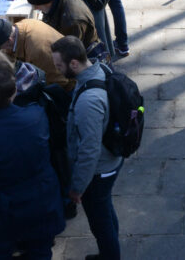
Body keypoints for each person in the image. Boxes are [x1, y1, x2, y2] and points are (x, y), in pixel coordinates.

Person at [0, 65, 65, 259]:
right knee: (41, 250)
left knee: (1, 252)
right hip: (45, 198)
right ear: (13, 93)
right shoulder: (36, 115)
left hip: (9, 209)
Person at [52, 37, 124, 260]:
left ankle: (110, 255)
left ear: (74, 64)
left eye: (59, 66)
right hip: (110, 161)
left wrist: (77, 187)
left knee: (99, 221)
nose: (57, 70)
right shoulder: (97, 68)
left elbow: (89, 151)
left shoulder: (88, 102)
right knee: (105, 209)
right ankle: (110, 249)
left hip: (99, 170)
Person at [25, 0, 98, 53]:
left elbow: (69, 54)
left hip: (82, 56)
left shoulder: (71, 21)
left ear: (46, 2)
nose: (35, 9)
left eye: (36, 6)